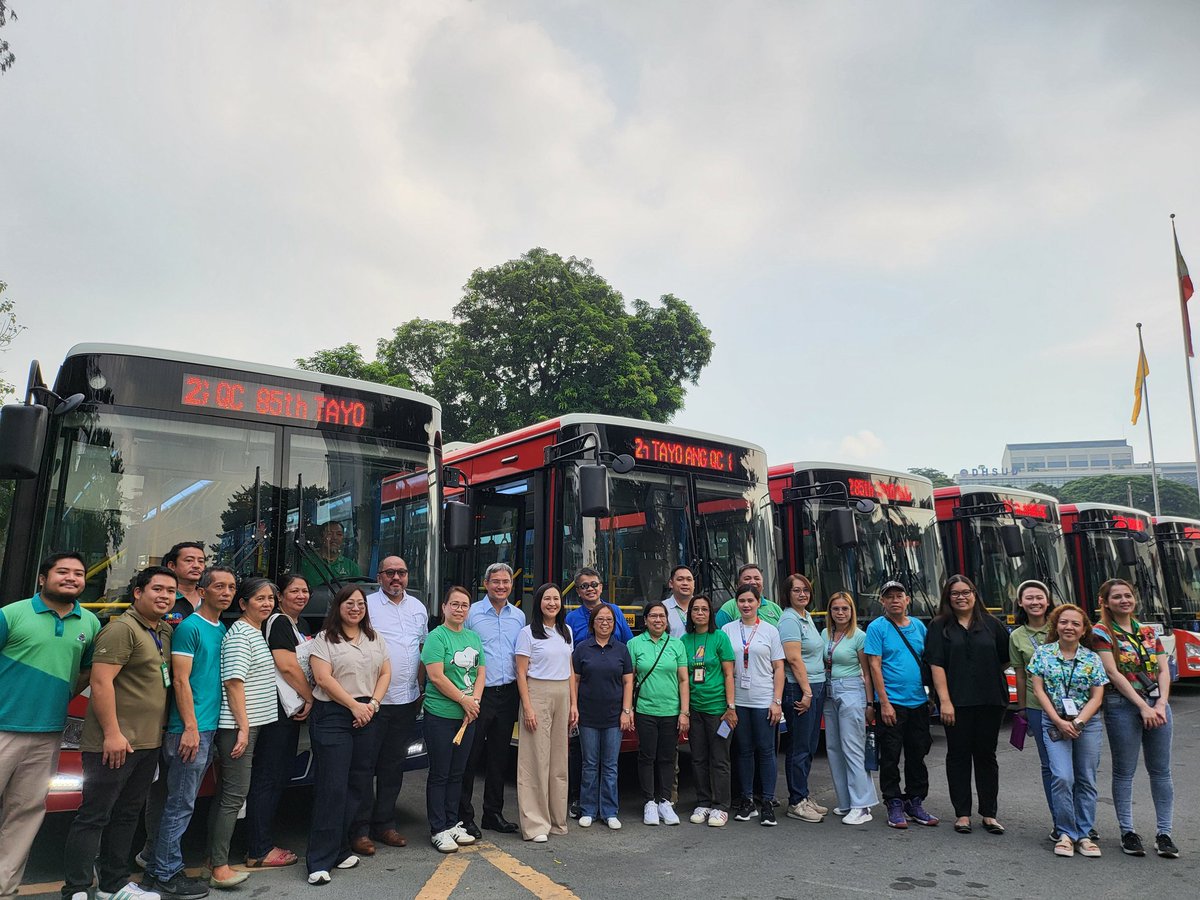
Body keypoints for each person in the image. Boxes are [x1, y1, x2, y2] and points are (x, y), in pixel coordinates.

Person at [62, 565, 177, 900]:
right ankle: (77, 888)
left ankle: (113, 885)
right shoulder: (121, 630)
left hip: (147, 741)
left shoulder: (162, 632)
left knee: (128, 814)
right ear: (138, 592)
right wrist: (112, 733)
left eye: (170, 591)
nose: (164, 596)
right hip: (113, 742)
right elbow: (100, 682)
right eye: (157, 589)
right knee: (95, 815)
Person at [0, 553, 100, 900]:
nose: (71, 578)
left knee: (25, 815)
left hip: (48, 733)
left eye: (78, 573)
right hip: (3, 728)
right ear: (43, 578)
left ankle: (5, 889)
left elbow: (87, 671)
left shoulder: (89, 622)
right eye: (62, 572)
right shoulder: (11, 614)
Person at [144, 566, 236, 900]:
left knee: (176, 802)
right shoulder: (190, 627)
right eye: (219, 586)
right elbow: (180, 680)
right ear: (203, 589)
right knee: (179, 804)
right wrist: (191, 728)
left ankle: (157, 866)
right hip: (189, 730)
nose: (226, 592)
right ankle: (167, 875)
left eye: (231, 587)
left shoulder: (220, 627)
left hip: (207, 725)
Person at [306, 586, 390, 885]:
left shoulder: (374, 637)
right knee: (332, 788)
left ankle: (341, 849)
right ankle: (319, 860)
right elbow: (323, 679)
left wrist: (373, 705)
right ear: (338, 607)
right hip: (334, 717)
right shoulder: (324, 639)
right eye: (349, 603)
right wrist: (355, 706)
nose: (355, 608)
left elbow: (385, 673)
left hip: (367, 714)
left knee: (358, 783)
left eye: (360, 604)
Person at [1092, 578, 1179, 858]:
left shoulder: (1148, 631)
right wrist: (1143, 706)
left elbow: (1164, 670)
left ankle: (1164, 833)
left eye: (1127, 595)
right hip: (1123, 704)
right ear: (1104, 602)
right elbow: (1113, 673)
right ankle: (1127, 832)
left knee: (1161, 771)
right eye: (1116, 597)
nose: (1123, 600)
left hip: (1156, 704)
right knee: (1124, 771)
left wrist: (1161, 703)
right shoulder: (1102, 633)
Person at [206, 578, 278, 890]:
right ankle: (218, 866)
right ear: (243, 604)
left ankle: (214, 858)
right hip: (237, 727)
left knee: (228, 794)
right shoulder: (240, 637)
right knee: (233, 796)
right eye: (259, 598)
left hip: (247, 725)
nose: (266, 603)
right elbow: (234, 683)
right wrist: (244, 729)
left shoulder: (254, 632)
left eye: (270, 598)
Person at [925, 575, 1010, 836]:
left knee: (987, 756)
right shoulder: (939, 626)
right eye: (955, 593)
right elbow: (936, 664)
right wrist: (946, 701)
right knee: (958, 756)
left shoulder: (992, 625)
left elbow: (1004, 660)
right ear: (947, 598)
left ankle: (989, 814)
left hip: (990, 701)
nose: (961, 597)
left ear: (974, 594)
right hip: (957, 703)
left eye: (966, 592)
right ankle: (962, 813)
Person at [353, 556, 426, 855]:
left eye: (402, 573)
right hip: (373, 702)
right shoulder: (365, 606)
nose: (396, 578)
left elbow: (421, 650)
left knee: (393, 767)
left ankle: (385, 824)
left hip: (406, 701)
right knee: (362, 768)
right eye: (390, 573)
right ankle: (358, 830)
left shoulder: (418, 608)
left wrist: (420, 688)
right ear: (380, 576)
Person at [1028, 604, 1108, 858]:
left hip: (1087, 723)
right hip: (1054, 722)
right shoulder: (1042, 654)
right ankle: (1065, 832)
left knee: (1086, 778)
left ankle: (1084, 834)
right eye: (1064, 622)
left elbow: (1097, 696)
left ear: (1084, 629)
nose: (1069, 627)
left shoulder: (1092, 658)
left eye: (1075, 623)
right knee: (1062, 776)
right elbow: (1038, 690)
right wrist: (1059, 721)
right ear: (1056, 625)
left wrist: (1079, 723)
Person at [244, 574, 311, 869]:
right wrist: (309, 697)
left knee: (276, 776)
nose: (301, 595)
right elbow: (285, 665)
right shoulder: (280, 622)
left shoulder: (299, 625)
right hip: (278, 712)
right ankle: (258, 848)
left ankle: (261, 842)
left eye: (305, 590)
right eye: (293, 591)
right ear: (280, 597)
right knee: (269, 777)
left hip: (287, 710)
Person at [864, 580, 939, 830]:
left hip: (918, 702)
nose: (895, 600)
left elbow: (928, 661)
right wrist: (883, 703)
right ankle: (894, 801)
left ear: (907, 600)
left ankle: (915, 800)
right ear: (882, 602)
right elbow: (874, 665)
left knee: (918, 753)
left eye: (899, 595)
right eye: (889, 597)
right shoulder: (877, 628)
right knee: (891, 755)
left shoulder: (919, 626)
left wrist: (931, 696)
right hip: (892, 703)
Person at [460, 563, 524, 838]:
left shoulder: (519, 616)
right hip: (478, 694)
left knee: (499, 756)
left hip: (507, 693)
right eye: (495, 581)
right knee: (470, 756)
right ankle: (463, 816)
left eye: (505, 582)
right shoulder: (471, 613)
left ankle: (492, 813)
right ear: (486, 584)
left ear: (511, 585)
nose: (501, 586)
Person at [421, 586, 485, 854]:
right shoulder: (437, 637)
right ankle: (438, 828)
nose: (460, 609)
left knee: (458, 773)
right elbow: (435, 676)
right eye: (455, 604)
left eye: (464, 605)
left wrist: (475, 703)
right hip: (441, 715)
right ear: (444, 607)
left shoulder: (473, 637)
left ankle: (452, 823)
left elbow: (481, 672)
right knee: (440, 773)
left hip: (468, 716)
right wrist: (464, 700)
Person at [564, 567, 631, 819]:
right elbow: (570, 663)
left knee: (609, 763)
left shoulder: (616, 612)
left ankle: (609, 810)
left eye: (594, 584)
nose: (590, 589)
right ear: (578, 592)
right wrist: (573, 704)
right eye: (584, 586)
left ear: (601, 586)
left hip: (612, 703)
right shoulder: (571, 620)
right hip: (585, 703)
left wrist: (627, 707)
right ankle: (581, 803)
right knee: (583, 758)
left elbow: (626, 646)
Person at [515, 584, 577, 842]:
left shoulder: (566, 631)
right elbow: (520, 673)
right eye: (547, 598)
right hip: (537, 693)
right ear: (538, 602)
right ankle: (535, 825)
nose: (552, 603)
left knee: (559, 761)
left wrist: (574, 704)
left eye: (556, 599)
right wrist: (528, 707)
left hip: (563, 692)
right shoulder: (527, 634)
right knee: (534, 761)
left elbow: (571, 670)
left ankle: (556, 820)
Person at [722, 584, 784, 826]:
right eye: (742, 601)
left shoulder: (770, 631)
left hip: (763, 699)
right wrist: (729, 705)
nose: (746, 605)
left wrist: (776, 701)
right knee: (744, 751)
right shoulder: (727, 630)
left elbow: (779, 668)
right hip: (738, 701)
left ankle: (767, 801)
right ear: (736, 604)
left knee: (767, 751)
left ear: (759, 603)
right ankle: (747, 800)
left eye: (750, 600)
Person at [628, 600, 689, 826]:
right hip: (645, 709)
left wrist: (684, 712)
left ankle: (664, 801)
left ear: (667, 620)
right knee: (646, 756)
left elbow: (684, 680)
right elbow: (629, 680)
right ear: (645, 620)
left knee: (667, 757)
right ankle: (649, 802)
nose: (658, 620)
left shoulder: (676, 645)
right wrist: (629, 709)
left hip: (671, 710)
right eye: (653, 616)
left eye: (662, 616)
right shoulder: (634, 644)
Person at [678, 595, 735, 826]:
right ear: (690, 614)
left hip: (718, 710)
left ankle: (721, 805)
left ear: (711, 614)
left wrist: (731, 707)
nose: (699, 613)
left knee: (719, 758)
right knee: (698, 758)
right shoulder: (684, 639)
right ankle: (702, 802)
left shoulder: (720, 637)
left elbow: (729, 674)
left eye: (704, 609)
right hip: (695, 709)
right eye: (695, 609)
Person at [821, 592, 877, 825]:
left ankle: (862, 806)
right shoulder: (826, 633)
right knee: (833, 747)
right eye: (836, 609)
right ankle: (845, 802)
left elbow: (867, 672)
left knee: (852, 748)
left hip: (852, 689)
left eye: (845, 609)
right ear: (830, 612)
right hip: (829, 691)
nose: (840, 613)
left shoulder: (860, 637)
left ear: (852, 611)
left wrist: (870, 703)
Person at [1007, 579, 1056, 836]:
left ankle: (1083, 821)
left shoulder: (1061, 626)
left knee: (1077, 768)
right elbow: (1020, 675)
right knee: (1049, 765)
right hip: (1037, 708)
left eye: (1039, 597)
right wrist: (1022, 710)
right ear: (1020, 603)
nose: (1035, 602)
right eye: (1029, 598)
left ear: (1047, 601)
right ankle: (1060, 820)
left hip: (1070, 708)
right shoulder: (1016, 636)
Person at [777, 573, 824, 823]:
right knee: (798, 747)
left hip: (815, 686)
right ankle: (796, 802)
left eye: (805, 589)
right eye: (796, 590)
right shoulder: (789, 620)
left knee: (810, 745)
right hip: (799, 689)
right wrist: (806, 692)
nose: (802, 594)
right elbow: (793, 659)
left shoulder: (805, 617)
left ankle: (803, 795)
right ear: (788, 594)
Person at [715, 564, 783, 627]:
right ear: (738, 584)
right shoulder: (728, 609)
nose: (753, 582)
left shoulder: (775, 609)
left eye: (757, 578)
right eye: (747, 579)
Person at [299, 521, 362, 587]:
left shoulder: (351, 567)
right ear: (321, 538)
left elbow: (359, 591)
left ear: (343, 539)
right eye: (329, 534)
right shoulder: (306, 563)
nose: (335, 538)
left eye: (339, 534)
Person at [163, 542, 206, 626]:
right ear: (172, 566)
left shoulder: (208, 597)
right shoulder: (162, 597)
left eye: (201, 561)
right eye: (189, 560)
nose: (196, 566)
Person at [663, 566, 696, 638]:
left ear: (694, 584)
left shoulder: (703, 608)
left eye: (689, 579)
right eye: (680, 579)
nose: (685, 583)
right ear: (671, 583)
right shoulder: (662, 608)